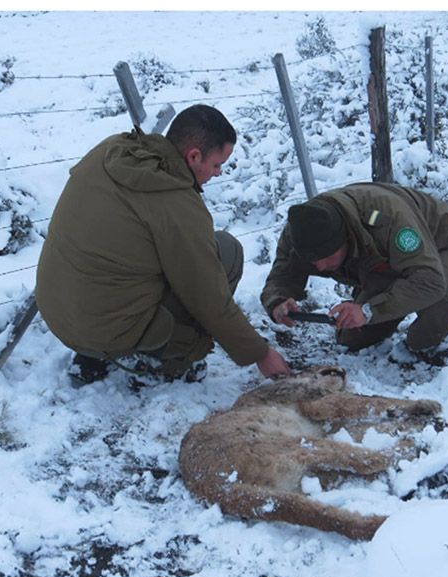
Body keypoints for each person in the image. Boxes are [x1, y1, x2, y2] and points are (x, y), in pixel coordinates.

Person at [36, 104, 291, 385]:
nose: (218, 173)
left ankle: (94, 354)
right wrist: (259, 353)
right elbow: (209, 298)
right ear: (194, 156)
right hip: (106, 331)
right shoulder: (176, 202)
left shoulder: (113, 151)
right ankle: (163, 364)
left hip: (59, 316)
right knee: (227, 252)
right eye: (217, 164)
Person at [261, 182, 448, 356]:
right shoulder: (300, 231)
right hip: (388, 264)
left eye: (327, 258)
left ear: (345, 238)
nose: (320, 267)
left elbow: (429, 280)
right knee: (352, 336)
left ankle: (423, 341)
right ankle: (389, 301)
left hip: (447, 247)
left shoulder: (389, 220)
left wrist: (368, 310)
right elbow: (281, 275)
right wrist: (278, 301)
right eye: (312, 261)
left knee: (431, 311)